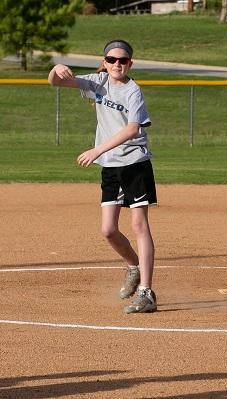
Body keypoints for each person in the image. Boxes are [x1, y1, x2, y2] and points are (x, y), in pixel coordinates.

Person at [48, 39, 158, 314]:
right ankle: (133, 266)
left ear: (130, 63)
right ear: (105, 62)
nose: (117, 64)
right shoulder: (97, 82)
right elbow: (57, 83)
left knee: (138, 226)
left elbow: (133, 129)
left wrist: (97, 149)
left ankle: (147, 292)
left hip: (135, 164)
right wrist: (57, 67)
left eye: (122, 60)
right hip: (111, 167)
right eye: (112, 60)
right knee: (108, 230)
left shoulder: (133, 91)